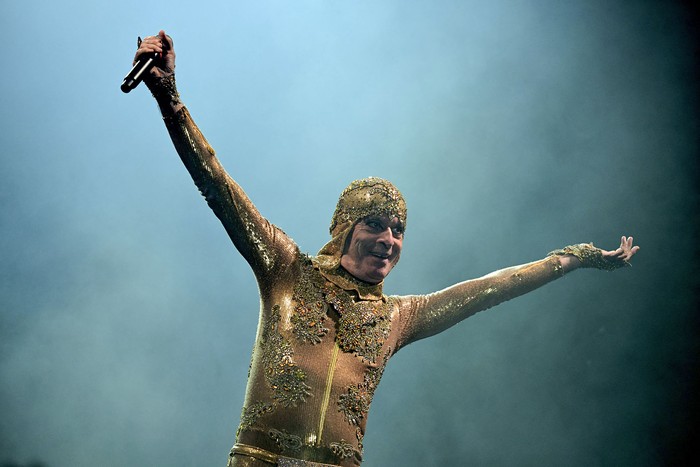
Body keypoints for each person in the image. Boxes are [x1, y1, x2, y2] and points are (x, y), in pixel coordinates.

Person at [130, 31, 640, 467]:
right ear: (345, 228)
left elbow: (490, 289)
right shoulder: (287, 270)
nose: (389, 240)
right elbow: (216, 183)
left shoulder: (399, 317)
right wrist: (169, 96)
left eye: (399, 230)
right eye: (376, 224)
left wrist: (572, 259)